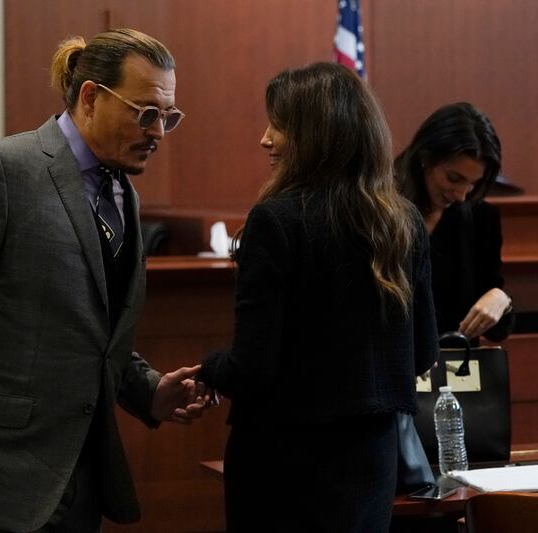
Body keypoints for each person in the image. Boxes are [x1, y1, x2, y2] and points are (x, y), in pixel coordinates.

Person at [0, 28, 209, 533]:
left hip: (80, 475)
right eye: (145, 113)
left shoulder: (124, 195)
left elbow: (93, 327)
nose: (158, 131)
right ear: (92, 97)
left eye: (168, 116)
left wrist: (148, 390)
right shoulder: (0, 169)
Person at [197, 63, 439, 532]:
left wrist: (209, 368)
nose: (265, 139)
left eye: (280, 125)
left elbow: (252, 369)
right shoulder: (405, 221)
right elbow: (422, 354)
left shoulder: (276, 220)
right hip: (372, 459)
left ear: (317, 137)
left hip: (283, 460)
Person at [395, 102, 514, 343]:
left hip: (455, 369)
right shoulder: (380, 211)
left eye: (472, 184)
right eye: (453, 178)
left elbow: (495, 331)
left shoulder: (480, 217)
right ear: (424, 158)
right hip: (392, 370)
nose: (461, 195)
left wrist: (501, 300)